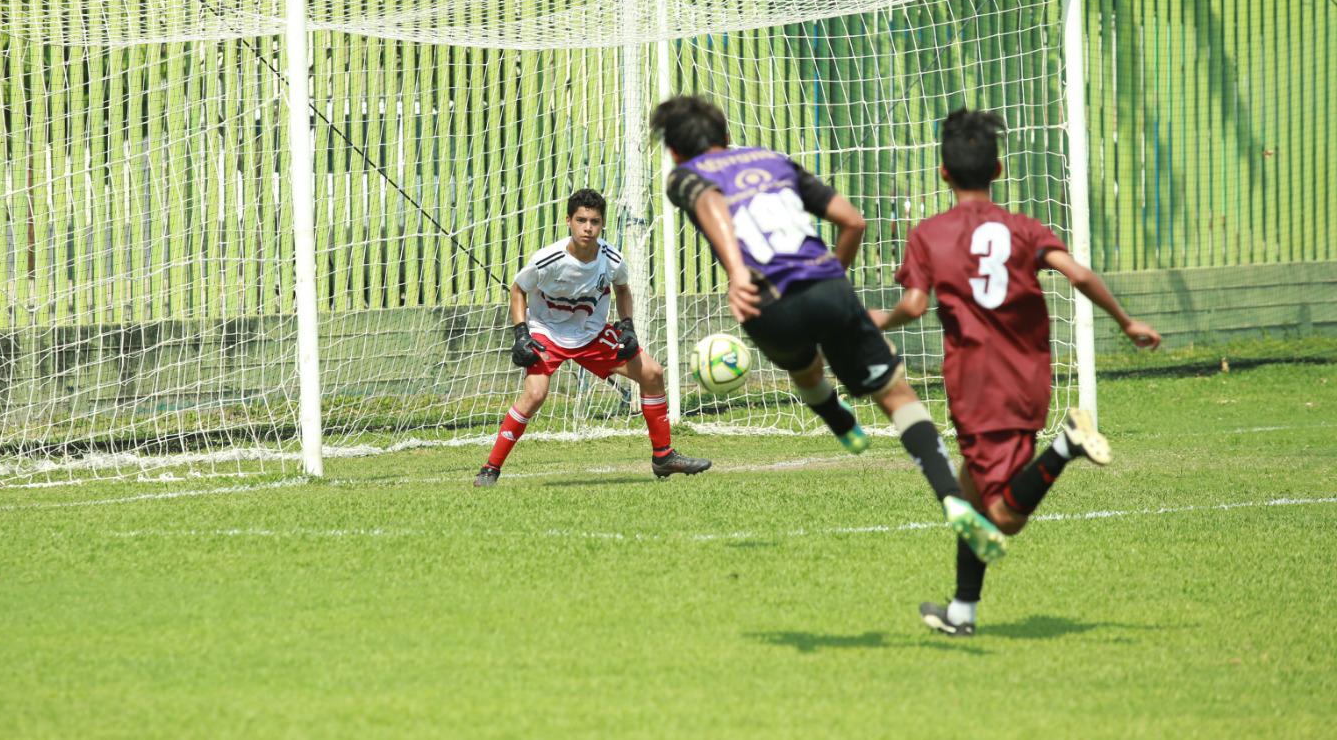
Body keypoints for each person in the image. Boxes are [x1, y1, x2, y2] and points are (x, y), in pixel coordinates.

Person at [650, 95, 1008, 564]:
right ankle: (953, 499)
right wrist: (833, 278)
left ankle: (837, 418)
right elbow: (853, 221)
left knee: (803, 364)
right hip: (829, 286)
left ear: (676, 151)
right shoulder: (774, 161)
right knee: (896, 395)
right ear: (726, 135)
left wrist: (736, 271)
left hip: (766, 302)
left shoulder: (684, 176)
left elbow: (710, 200)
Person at [873, 107, 1161, 637]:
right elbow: (1077, 274)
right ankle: (962, 612)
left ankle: (1066, 446)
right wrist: (1126, 321)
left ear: (943, 172)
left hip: (980, 388)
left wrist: (876, 319)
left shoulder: (930, 235)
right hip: (1028, 379)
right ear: (998, 170)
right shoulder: (1024, 229)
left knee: (1003, 517)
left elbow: (913, 306)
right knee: (969, 493)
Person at [474, 188, 712, 486]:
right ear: (568, 221)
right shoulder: (548, 259)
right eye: (581, 220)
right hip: (547, 333)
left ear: (602, 224)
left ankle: (663, 457)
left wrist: (627, 326)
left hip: (591, 334)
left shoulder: (611, 259)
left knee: (652, 373)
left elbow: (623, 289)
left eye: (594, 221)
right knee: (535, 394)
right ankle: (490, 469)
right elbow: (518, 289)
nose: (587, 228)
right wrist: (521, 332)